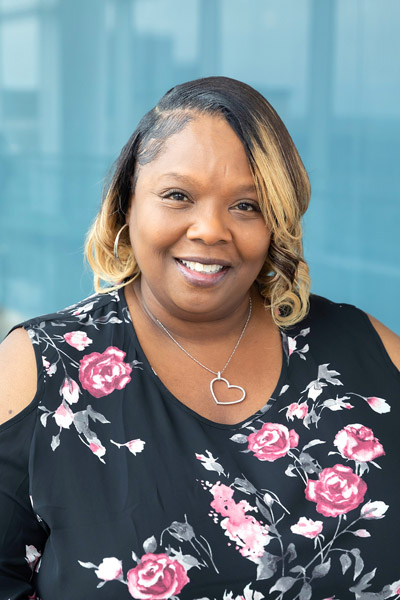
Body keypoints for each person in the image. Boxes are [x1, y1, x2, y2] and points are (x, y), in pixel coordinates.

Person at [0, 76, 399, 600]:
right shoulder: (41, 367)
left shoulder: (367, 351)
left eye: (246, 206)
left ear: (277, 222)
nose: (210, 229)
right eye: (177, 196)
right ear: (126, 206)